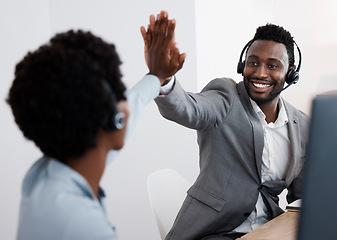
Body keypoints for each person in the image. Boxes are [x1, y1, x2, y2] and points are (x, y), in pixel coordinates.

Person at [7, 11, 184, 240]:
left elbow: (131, 103)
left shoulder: (45, 175)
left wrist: (156, 76)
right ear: (115, 120)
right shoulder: (81, 224)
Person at [142, 13, 310, 240]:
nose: (260, 73)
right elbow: (188, 108)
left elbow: (303, 200)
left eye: (273, 66)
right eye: (253, 62)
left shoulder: (301, 126)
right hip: (215, 231)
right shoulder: (226, 97)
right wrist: (163, 80)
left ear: (291, 72)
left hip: (267, 229)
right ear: (243, 64)